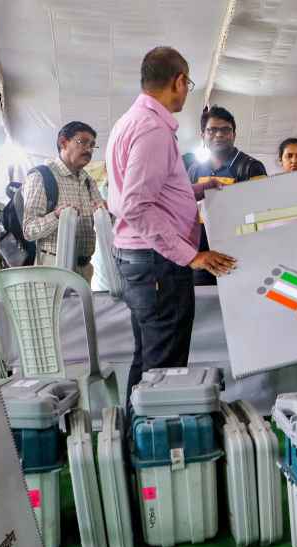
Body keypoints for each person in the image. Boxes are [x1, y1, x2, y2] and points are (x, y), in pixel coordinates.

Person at [106, 46, 236, 398]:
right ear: (179, 81)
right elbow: (135, 205)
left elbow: (149, 193)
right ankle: (156, 447)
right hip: (158, 263)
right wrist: (190, 256)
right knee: (164, 365)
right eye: (188, 84)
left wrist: (195, 189)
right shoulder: (152, 129)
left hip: (143, 259)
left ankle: (136, 435)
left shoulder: (130, 121)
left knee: (148, 358)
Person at [188, 105, 266, 285]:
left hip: (239, 256)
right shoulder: (194, 170)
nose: (219, 135)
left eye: (225, 130)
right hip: (202, 258)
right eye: (212, 130)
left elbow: (261, 214)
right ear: (203, 135)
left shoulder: (251, 167)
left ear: (234, 134)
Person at [22, 121, 104, 281]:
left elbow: (103, 218)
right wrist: (57, 216)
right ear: (63, 142)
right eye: (83, 142)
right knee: (57, 307)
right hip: (53, 268)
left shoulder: (88, 181)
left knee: (84, 307)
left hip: (84, 269)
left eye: (92, 145)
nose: (89, 150)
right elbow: (28, 230)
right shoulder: (41, 177)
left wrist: (106, 213)